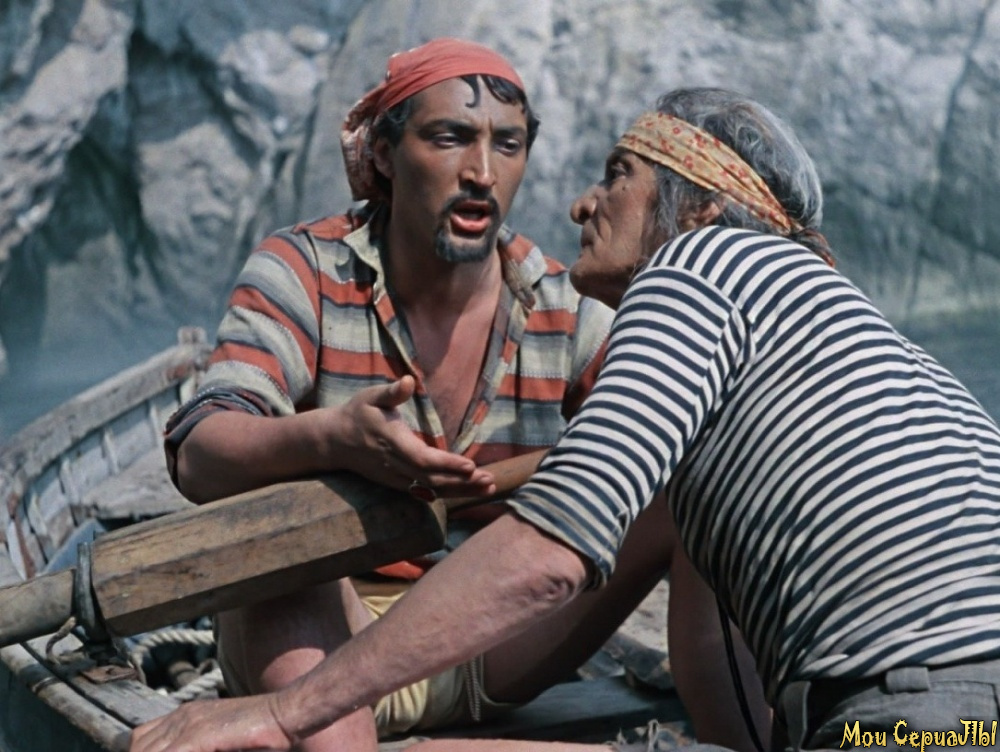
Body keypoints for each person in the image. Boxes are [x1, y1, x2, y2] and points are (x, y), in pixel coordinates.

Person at [132, 84, 1000, 752]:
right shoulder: (831, 313)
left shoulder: (693, 268)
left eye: (619, 175)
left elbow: (553, 554)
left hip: (914, 717)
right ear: (389, 161)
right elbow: (208, 446)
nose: (584, 204)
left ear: (700, 211)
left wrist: (286, 713)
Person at [151, 37, 764, 752]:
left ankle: (741, 742)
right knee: (275, 533)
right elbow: (200, 456)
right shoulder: (304, 270)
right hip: (320, 638)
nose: (482, 173)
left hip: (488, 637)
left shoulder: (559, 303)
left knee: (697, 484)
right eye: (450, 138)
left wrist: (533, 473)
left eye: (507, 145)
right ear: (385, 155)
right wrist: (331, 439)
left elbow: (680, 433)